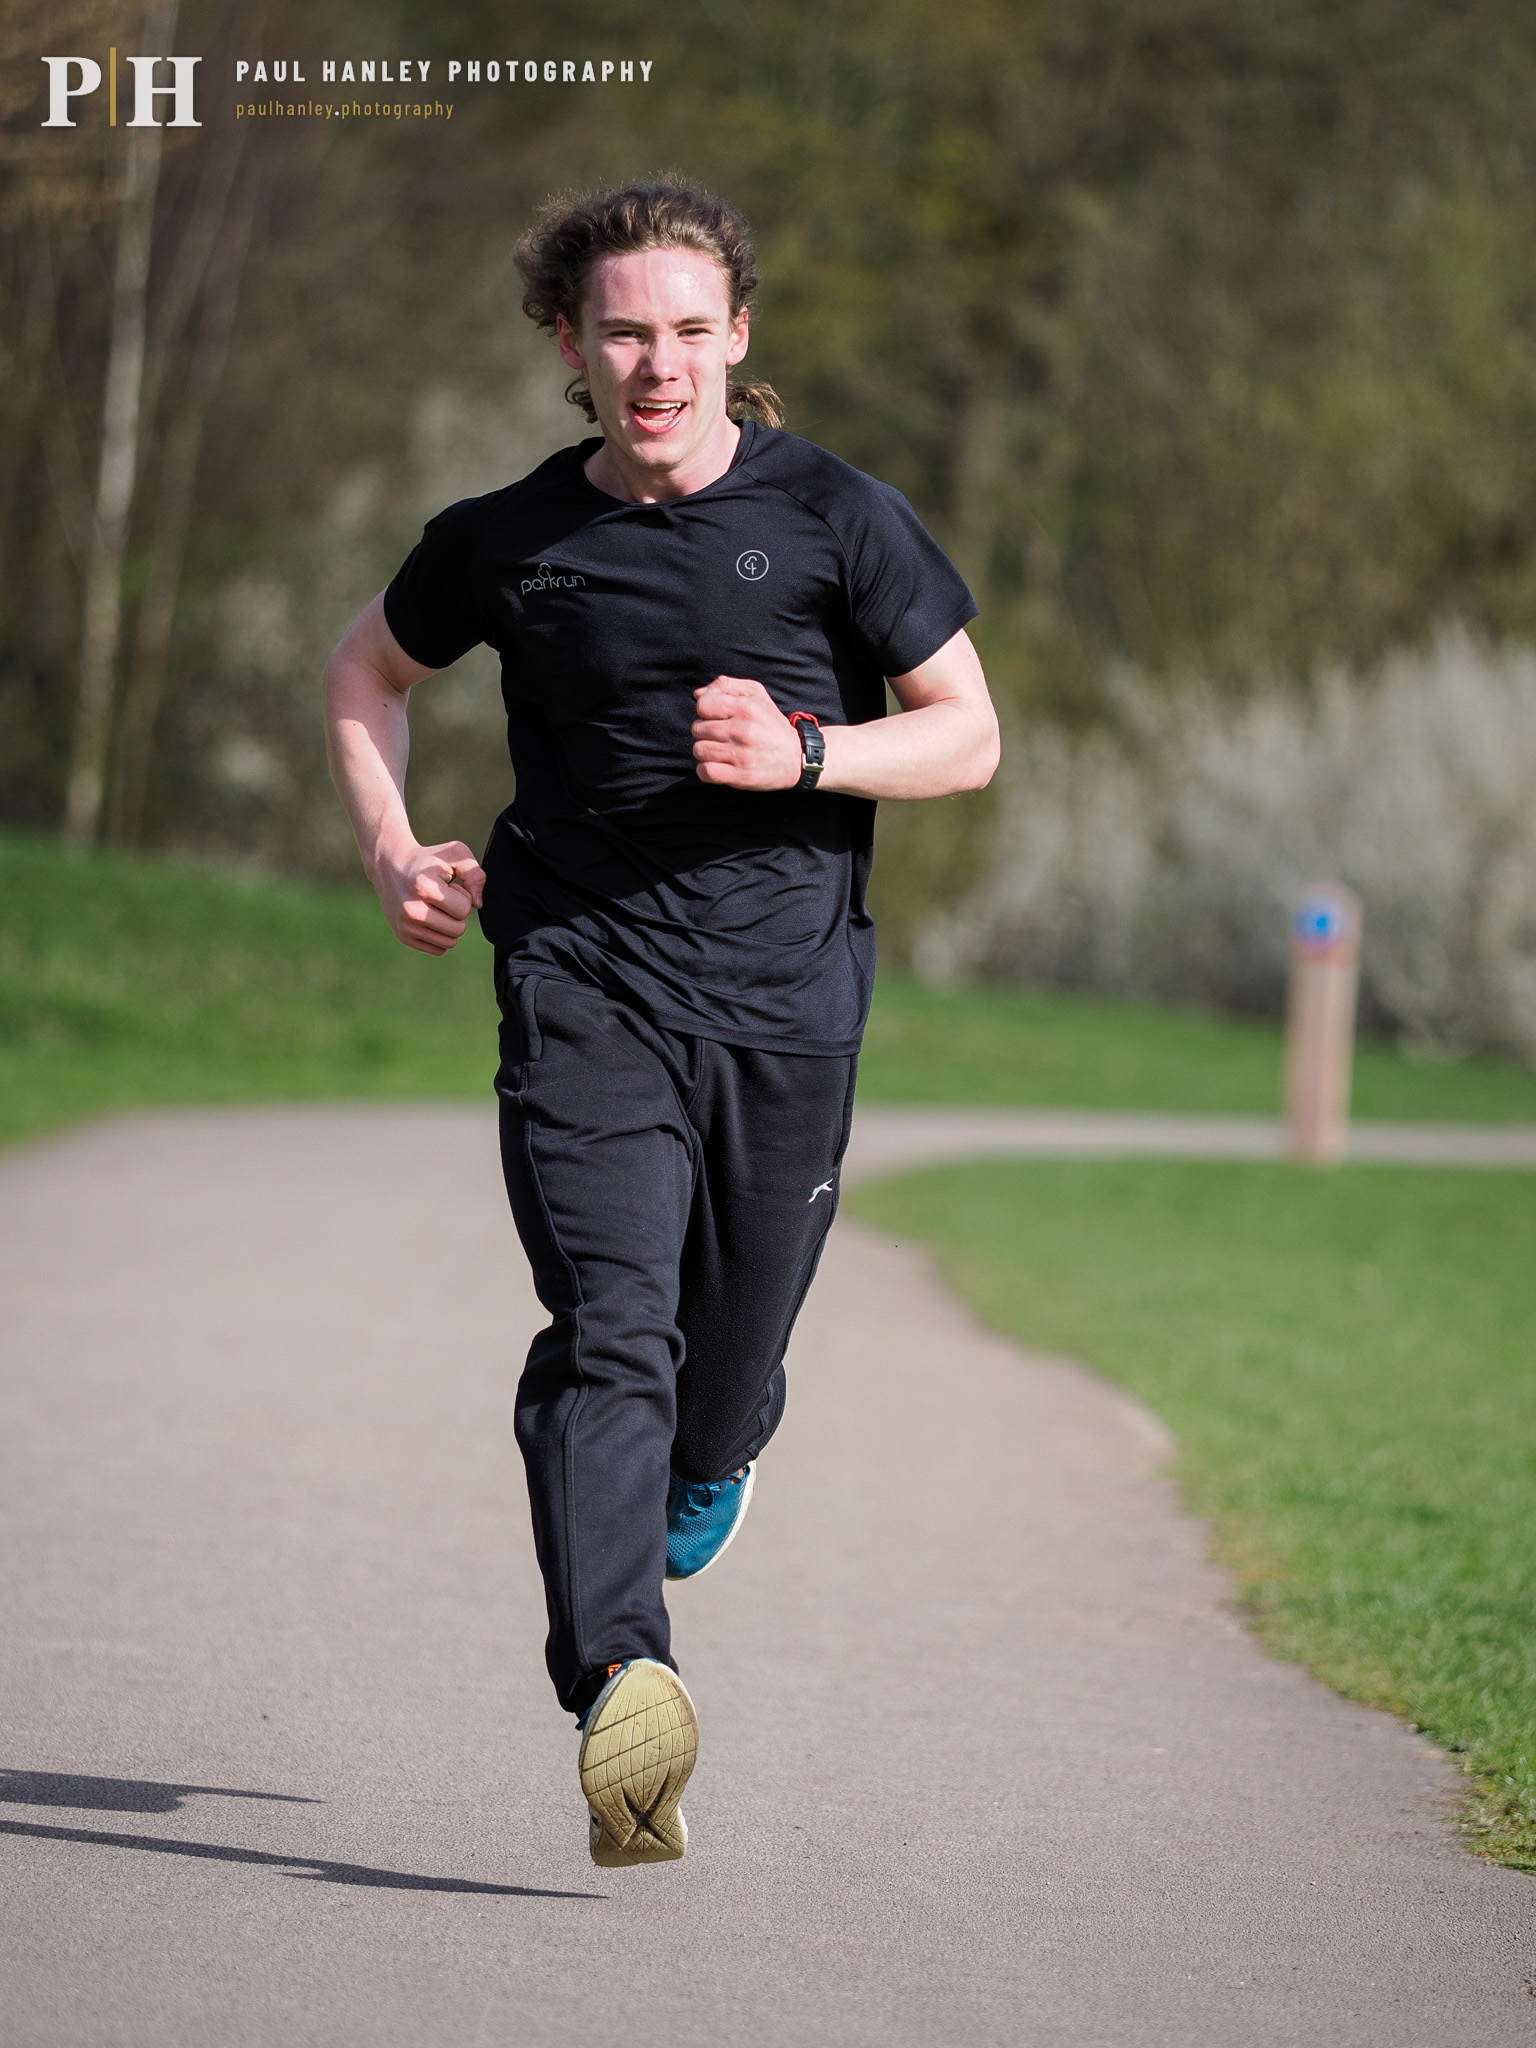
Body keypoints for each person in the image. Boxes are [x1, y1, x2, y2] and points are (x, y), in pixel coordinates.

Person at [324, 179, 999, 1869]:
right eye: (625, 329)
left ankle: (721, 1450)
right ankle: (625, 1677)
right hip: (581, 981)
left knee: (719, 1373)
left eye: (691, 330)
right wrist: (399, 852)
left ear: (739, 338)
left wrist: (815, 755)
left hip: (788, 1004)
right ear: (570, 341)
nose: (659, 363)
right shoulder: (508, 541)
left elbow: (970, 733)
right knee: (610, 1325)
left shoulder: (840, 516)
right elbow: (364, 676)